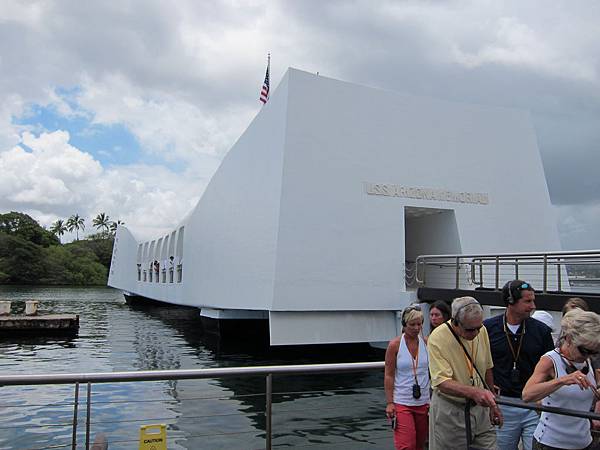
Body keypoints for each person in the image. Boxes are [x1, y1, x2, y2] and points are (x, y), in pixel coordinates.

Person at [484, 280, 554, 450]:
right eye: (527, 301)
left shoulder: (541, 331)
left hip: (534, 405)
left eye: (533, 300)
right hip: (503, 404)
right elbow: (482, 362)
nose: (533, 306)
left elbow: (552, 367)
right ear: (510, 302)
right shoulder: (487, 329)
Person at [428, 296, 502, 450]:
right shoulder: (437, 338)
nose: (475, 333)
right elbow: (442, 382)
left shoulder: (482, 331)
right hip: (451, 409)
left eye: (478, 327)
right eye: (470, 329)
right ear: (455, 322)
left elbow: (487, 367)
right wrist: (474, 392)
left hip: (480, 408)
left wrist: (493, 404)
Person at [523, 309, 600, 450]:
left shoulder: (589, 362)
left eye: (593, 352)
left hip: (584, 442)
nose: (587, 356)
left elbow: (582, 399)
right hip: (551, 443)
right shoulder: (550, 360)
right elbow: (527, 394)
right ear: (569, 339)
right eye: (584, 350)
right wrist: (563, 380)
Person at [385, 305, 430, 450]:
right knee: (406, 445)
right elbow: (389, 375)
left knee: (420, 444)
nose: (416, 328)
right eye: (412, 325)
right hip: (402, 401)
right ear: (404, 325)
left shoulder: (426, 343)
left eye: (419, 324)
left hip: (424, 401)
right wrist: (390, 402)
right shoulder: (395, 345)